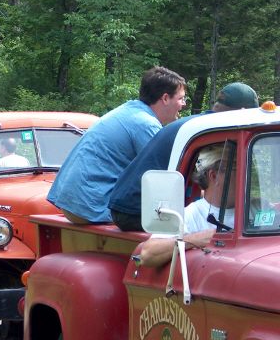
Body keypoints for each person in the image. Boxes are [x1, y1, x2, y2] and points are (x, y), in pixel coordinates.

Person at [109, 82, 258, 231]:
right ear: (243, 111)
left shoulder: (202, 124)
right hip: (134, 210)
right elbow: (213, 179)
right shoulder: (211, 131)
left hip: (134, 204)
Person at [48, 66, 187, 224]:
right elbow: (167, 174)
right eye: (181, 98)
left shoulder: (129, 111)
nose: (183, 104)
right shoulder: (145, 124)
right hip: (91, 206)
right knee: (171, 219)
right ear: (165, 98)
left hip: (72, 204)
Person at [139, 144, 237, 268]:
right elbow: (147, 254)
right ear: (214, 176)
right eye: (236, 168)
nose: (244, 175)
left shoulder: (257, 208)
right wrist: (194, 240)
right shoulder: (190, 214)